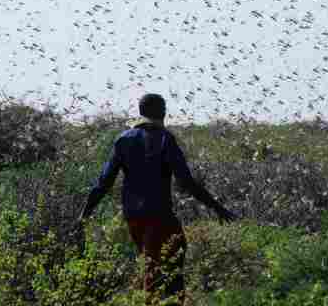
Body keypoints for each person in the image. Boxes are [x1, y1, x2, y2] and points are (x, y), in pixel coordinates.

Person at [77, 93, 238, 305]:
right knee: (167, 267)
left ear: (141, 112)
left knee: (154, 265)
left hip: (133, 217)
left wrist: (85, 213)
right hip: (159, 215)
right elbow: (187, 182)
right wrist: (218, 208)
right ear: (163, 112)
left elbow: (104, 182)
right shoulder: (164, 138)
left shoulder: (123, 139)